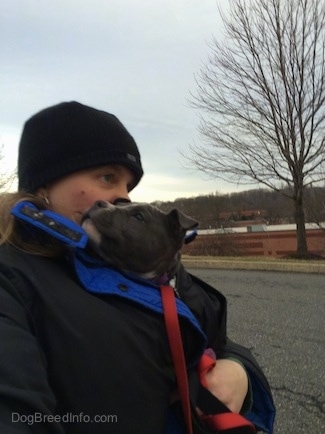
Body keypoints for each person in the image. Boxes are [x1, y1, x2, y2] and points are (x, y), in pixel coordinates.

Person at [0, 101, 275, 434]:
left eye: (128, 186)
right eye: (107, 177)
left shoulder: (140, 265)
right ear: (44, 185)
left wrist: (239, 371)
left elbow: (216, 339)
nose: (123, 197)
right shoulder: (12, 281)